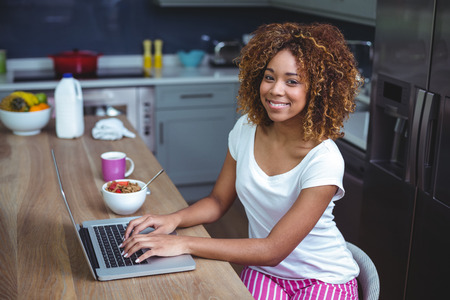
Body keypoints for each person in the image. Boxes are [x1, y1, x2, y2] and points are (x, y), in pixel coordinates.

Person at [121, 22, 363, 299]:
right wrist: (172, 220)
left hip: (322, 278)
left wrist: (183, 244)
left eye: (292, 81)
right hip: (265, 272)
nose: (275, 90)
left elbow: (272, 250)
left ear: (317, 91)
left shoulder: (324, 160)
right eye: (269, 77)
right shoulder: (246, 129)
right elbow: (218, 201)